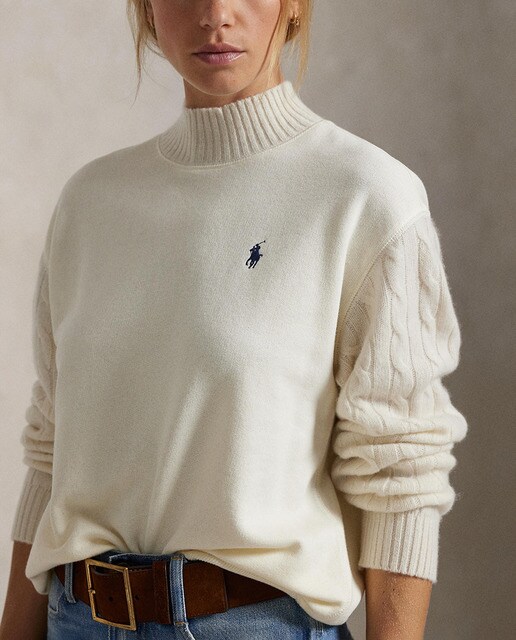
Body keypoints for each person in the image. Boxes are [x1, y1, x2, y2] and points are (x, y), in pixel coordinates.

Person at [0, 1, 469, 639]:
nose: (216, 12)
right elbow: (52, 448)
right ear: (147, 8)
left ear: (294, 5)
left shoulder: (367, 197)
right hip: (74, 619)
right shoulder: (90, 203)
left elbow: (400, 470)